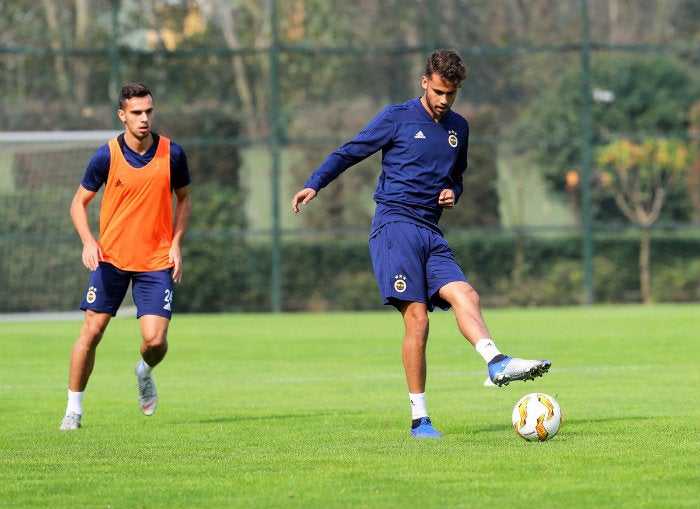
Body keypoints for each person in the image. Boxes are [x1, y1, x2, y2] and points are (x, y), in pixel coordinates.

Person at [292, 49, 550, 438]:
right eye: (440, 91)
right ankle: (419, 419)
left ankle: (496, 361)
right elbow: (350, 151)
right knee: (419, 319)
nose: (445, 101)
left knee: (467, 295)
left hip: (430, 231)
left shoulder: (459, 128)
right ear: (425, 81)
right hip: (394, 227)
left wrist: (454, 192)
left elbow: (458, 176)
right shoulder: (396, 117)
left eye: (453, 94)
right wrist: (315, 183)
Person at [59, 83, 192, 430]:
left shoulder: (172, 154)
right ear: (122, 115)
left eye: (148, 111)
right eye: (136, 112)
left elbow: (185, 199)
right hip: (111, 260)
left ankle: (144, 371)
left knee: (155, 341)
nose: (144, 118)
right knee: (91, 333)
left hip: (156, 262)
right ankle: (73, 410)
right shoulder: (106, 155)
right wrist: (89, 242)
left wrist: (176, 243)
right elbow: (78, 203)